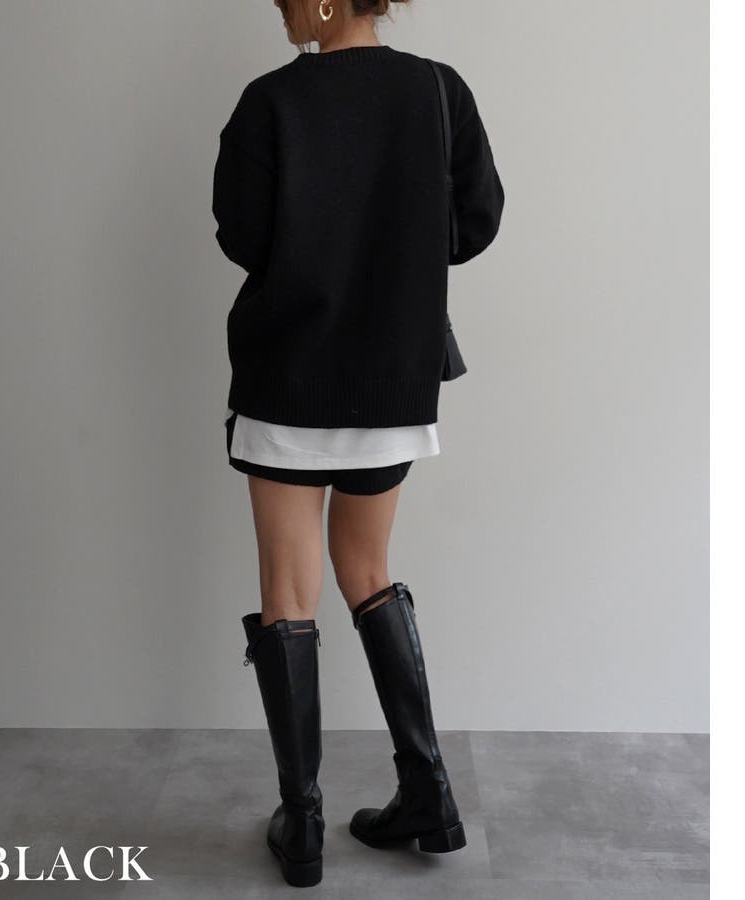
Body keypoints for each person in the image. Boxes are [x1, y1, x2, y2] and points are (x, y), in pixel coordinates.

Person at [211, 0, 504, 887]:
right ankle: (429, 794)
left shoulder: (271, 101)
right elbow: (479, 218)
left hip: (288, 378)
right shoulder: (440, 92)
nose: (280, 10)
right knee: (368, 572)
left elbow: (241, 235)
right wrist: (394, 254)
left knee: (286, 590)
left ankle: (302, 823)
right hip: (391, 378)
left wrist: (320, 248)